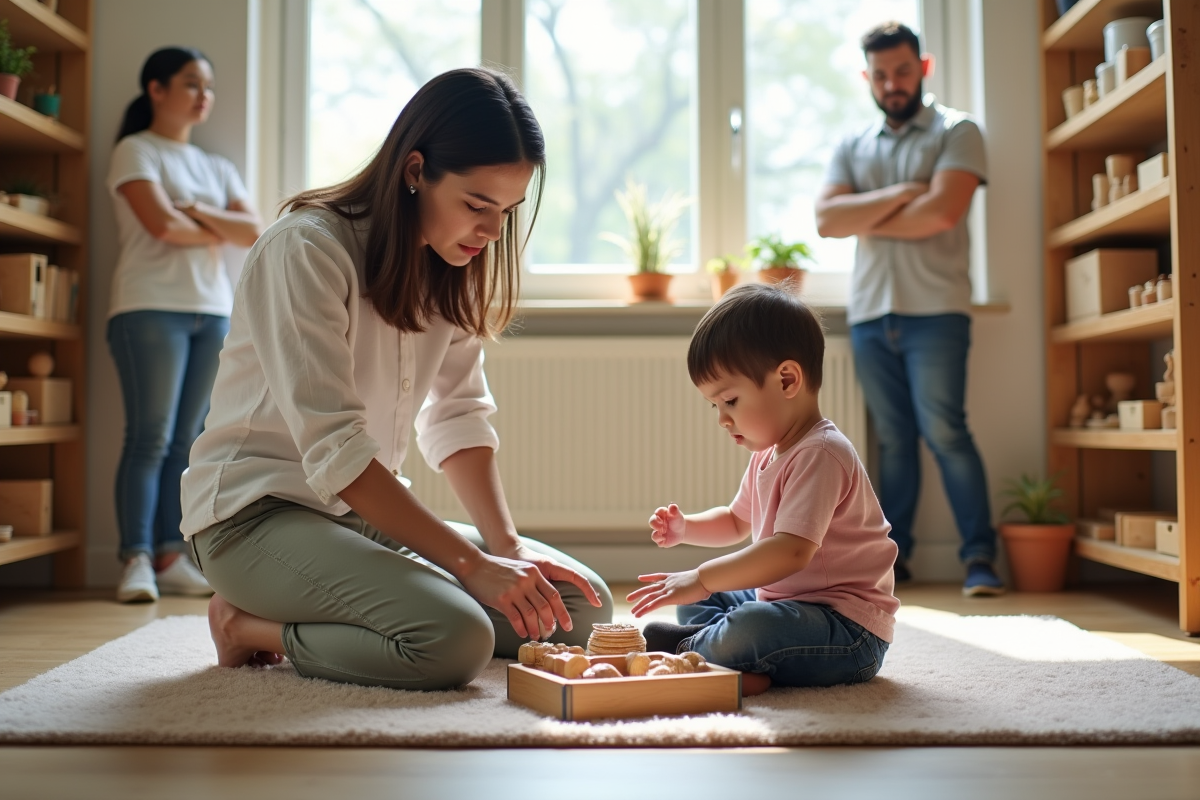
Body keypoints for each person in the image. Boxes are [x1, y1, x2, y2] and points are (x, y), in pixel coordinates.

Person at [181, 67, 612, 690]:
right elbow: (337, 449)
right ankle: (245, 625)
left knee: (580, 610)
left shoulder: (448, 266)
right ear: (415, 171)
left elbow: (459, 415)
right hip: (251, 517)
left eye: (507, 212)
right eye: (476, 206)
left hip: (354, 518)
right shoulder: (306, 249)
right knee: (454, 640)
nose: (492, 233)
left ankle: (323, 605)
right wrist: (469, 564)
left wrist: (506, 548)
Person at [628, 283, 898, 695]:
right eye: (714, 405)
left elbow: (790, 551)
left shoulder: (821, 453)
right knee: (702, 601)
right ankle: (729, 658)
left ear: (787, 380)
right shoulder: (768, 454)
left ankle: (692, 650)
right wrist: (688, 530)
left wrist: (703, 576)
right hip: (785, 606)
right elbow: (737, 520)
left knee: (749, 622)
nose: (722, 418)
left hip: (846, 630)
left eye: (730, 401)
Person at [814, 22, 1002, 596]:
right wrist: (903, 194)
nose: (891, 84)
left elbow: (941, 215)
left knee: (947, 432)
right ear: (866, 78)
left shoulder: (958, 130)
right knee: (892, 443)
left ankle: (980, 561)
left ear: (925, 68)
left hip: (937, 311)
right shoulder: (852, 144)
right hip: (871, 315)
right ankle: (894, 565)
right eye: (879, 74)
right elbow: (827, 222)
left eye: (901, 71)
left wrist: (864, 211)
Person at [108, 47, 263, 603]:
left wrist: (193, 208)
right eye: (191, 84)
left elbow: (253, 230)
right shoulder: (134, 151)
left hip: (213, 311)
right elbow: (161, 228)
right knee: (148, 438)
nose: (204, 96)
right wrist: (211, 222)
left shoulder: (215, 168)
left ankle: (172, 556)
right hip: (148, 307)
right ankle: (135, 560)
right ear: (157, 89)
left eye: (209, 87)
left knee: (187, 441)